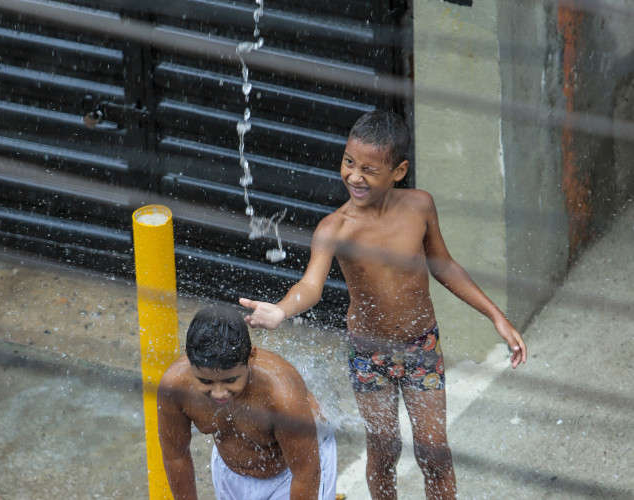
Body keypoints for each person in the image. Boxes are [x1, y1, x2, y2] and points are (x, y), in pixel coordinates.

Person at [239, 109, 527, 500]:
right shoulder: (335, 228)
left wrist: (497, 316)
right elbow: (311, 285)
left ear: (399, 170)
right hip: (368, 352)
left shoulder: (420, 207)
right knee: (384, 448)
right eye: (349, 162)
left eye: (369, 169)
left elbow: (443, 265)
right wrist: (282, 310)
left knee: (434, 453)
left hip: (420, 346)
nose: (354, 176)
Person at [157, 305, 338, 500]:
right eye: (205, 381)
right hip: (232, 471)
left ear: (251, 356)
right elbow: (176, 456)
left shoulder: (281, 395)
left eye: (230, 380)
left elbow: (305, 474)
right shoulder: (174, 388)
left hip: (297, 470)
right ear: (188, 356)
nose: (218, 394)